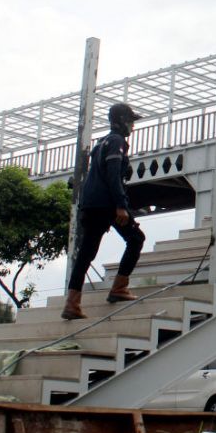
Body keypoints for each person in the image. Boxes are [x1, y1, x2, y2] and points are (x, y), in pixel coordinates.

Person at [62, 103, 147, 320]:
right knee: (136, 239)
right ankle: (119, 288)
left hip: (90, 204)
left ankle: (72, 304)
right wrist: (120, 205)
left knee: (86, 254)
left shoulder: (101, 143)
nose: (132, 126)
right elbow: (111, 175)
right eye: (130, 121)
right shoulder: (117, 142)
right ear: (120, 120)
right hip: (106, 204)